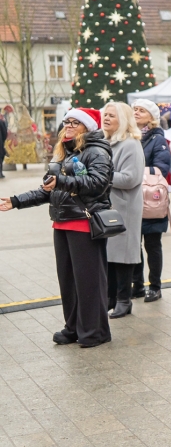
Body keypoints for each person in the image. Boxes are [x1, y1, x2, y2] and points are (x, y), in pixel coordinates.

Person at [0, 109, 112, 347]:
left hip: (84, 222)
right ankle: (73, 328)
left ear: (87, 127)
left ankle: (95, 332)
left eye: (75, 122)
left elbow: (98, 183)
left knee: (88, 282)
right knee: (68, 282)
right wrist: (16, 201)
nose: (68, 126)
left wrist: (61, 180)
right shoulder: (64, 152)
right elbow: (47, 190)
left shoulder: (96, 151)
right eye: (66, 122)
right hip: (61, 222)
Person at [100, 102, 145, 319]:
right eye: (105, 114)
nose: (106, 118)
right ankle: (111, 298)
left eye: (112, 115)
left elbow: (130, 178)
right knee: (110, 255)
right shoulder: (106, 142)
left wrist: (100, 175)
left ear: (124, 120)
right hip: (109, 207)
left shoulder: (130, 144)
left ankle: (124, 300)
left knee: (123, 256)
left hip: (124, 207)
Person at [131, 99, 171, 302]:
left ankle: (155, 286)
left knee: (152, 245)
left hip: (151, 199)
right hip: (131, 199)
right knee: (134, 244)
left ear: (152, 117)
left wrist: (134, 174)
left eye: (142, 110)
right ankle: (137, 285)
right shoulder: (128, 136)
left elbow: (162, 168)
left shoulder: (157, 139)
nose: (136, 112)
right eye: (135, 109)